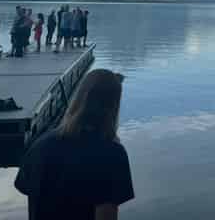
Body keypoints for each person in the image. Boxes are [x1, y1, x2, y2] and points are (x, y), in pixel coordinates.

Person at [15, 69, 133, 220]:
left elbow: (27, 191)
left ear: (79, 97)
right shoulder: (112, 153)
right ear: (113, 105)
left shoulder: (42, 144)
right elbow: (106, 215)